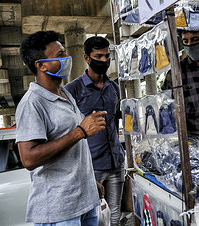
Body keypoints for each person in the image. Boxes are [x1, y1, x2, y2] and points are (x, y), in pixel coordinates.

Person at [16, 30, 106, 225]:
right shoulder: (32, 103)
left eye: (65, 52)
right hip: (60, 211)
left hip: (84, 202)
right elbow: (29, 158)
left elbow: (74, 153)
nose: (68, 58)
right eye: (60, 55)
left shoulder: (64, 93)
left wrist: (90, 183)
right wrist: (80, 132)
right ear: (40, 65)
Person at [65, 36, 125, 226]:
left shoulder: (114, 87)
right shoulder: (72, 90)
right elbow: (68, 131)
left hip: (116, 163)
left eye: (107, 56)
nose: (104, 61)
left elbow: (117, 120)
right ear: (87, 58)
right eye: (98, 56)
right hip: (91, 166)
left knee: (114, 216)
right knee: (92, 218)